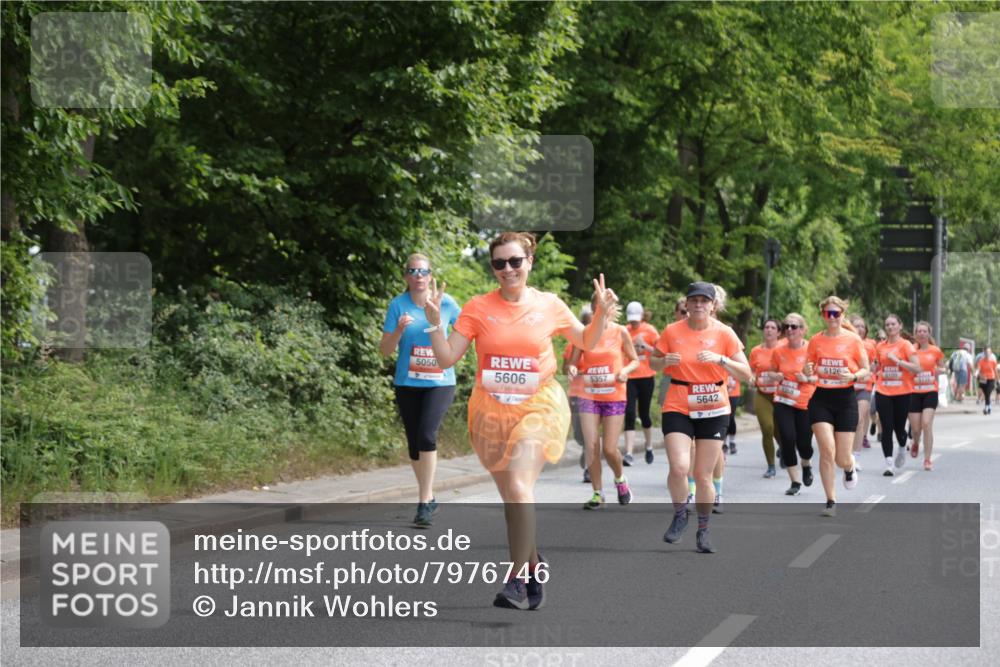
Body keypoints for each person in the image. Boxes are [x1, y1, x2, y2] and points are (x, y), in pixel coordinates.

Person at [423, 231, 617, 610]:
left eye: (515, 261)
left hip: (538, 406)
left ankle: (515, 580)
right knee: (514, 499)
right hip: (490, 412)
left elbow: (587, 341)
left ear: (530, 262)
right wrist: (434, 325)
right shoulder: (478, 307)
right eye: (499, 263)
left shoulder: (549, 305)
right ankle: (532, 564)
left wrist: (601, 315)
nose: (508, 269)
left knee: (518, 484)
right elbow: (446, 358)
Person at [650, 282, 751, 553]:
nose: (698, 305)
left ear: (713, 305)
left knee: (703, 475)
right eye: (693, 300)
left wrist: (721, 360)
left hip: (713, 407)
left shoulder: (725, 333)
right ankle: (680, 513)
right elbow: (653, 362)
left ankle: (703, 529)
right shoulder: (672, 331)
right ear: (686, 303)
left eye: (704, 301)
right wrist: (664, 362)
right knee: (679, 467)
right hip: (678, 403)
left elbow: (746, 373)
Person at [380, 254, 461, 528]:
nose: (418, 276)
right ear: (406, 276)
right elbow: (385, 351)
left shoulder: (446, 303)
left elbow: (466, 333)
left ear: (430, 276)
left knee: (427, 435)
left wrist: (449, 349)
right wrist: (397, 331)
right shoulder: (398, 305)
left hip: (440, 382)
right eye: (412, 271)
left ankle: (424, 500)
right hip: (407, 382)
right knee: (415, 444)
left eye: (423, 271)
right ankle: (430, 496)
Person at [569, 300, 639, 508]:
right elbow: (572, 362)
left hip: (614, 395)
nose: (602, 311)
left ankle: (620, 479)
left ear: (612, 309)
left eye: (606, 307)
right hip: (589, 395)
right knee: (591, 446)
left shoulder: (620, 332)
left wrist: (625, 372)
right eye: (598, 307)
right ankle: (597, 493)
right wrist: (572, 368)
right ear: (594, 309)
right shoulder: (583, 333)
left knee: (609, 449)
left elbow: (635, 360)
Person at [804, 296, 869, 517]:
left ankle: (849, 467)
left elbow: (866, 369)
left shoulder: (853, 340)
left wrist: (853, 375)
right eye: (827, 313)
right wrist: (807, 370)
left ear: (842, 314)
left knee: (841, 458)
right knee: (827, 450)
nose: (831, 317)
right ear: (823, 315)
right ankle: (831, 501)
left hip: (845, 401)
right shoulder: (815, 340)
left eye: (836, 313)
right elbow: (808, 367)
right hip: (821, 399)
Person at [765, 313, 816, 496]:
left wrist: (806, 379)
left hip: (805, 401)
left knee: (804, 443)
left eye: (793, 326)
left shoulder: (811, 350)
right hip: (783, 400)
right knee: (787, 438)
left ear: (803, 330)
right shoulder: (778, 351)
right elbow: (770, 372)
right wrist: (776, 376)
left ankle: (806, 464)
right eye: (786, 326)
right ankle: (795, 481)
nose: (789, 329)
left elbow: (819, 377)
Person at [873, 314, 915, 477]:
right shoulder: (880, 347)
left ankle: (902, 448)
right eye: (887, 325)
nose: (890, 327)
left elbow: (916, 367)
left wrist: (897, 361)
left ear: (900, 326)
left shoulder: (906, 345)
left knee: (899, 428)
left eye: (893, 324)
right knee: (886, 427)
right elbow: (877, 366)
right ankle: (889, 464)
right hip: (883, 391)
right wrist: (872, 369)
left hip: (902, 392)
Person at [905, 322, 946, 471]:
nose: (922, 334)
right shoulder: (910, 350)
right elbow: (904, 367)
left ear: (929, 334)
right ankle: (916, 442)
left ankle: (927, 459)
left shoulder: (935, 350)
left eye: (924, 331)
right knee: (916, 429)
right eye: (919, 331)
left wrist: (939, 371)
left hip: (930, 391)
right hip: (913, 391)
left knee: (927, 424)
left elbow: (943, 367)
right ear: (915, 334)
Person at [623, 301, 659, 465]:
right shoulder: (625, 330)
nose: (634, 323)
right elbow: (619, 351)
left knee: (644, 413)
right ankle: (629, 453)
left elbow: (660, 352)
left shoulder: (650, 330)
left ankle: (649, 446)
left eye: (636, 320)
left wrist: (645, 346)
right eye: (631, 320)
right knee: (629, 413)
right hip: (630, 376)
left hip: (646, 376)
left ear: (642, 316)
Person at [749, 318, 784, 478]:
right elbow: (751, 370)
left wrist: (778, 376)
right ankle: (771, 466)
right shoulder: (756, 351)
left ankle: (783, 446)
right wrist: (751, 378)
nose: (769, 330)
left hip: (781, 394)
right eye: (766, 327)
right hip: (762, 394)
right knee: (767, 427)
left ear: (779, 332)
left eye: (772, 328)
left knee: (780, 428)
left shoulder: (783, 349)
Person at [563, 306, 594, 483]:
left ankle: (589, 468)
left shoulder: (600, 344)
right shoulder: (572, 345)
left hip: (594, 394)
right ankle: (584, 447)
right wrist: (573, 370)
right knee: (578, 434)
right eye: (588, 321)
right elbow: (564, 368)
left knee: (590, 431)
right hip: (576, 392)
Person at [850, 317, 878, 456]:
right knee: (848, 421)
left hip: (864, 387)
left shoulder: (870, 346)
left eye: (862, 326)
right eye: (857, 326)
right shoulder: (844, 343)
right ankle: (845, 449)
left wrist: (871, 371)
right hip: (847, 388)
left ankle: (856, 456)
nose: (860, 328)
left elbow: (874, 365)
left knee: (859, 419)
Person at [977, 346, 997, 415]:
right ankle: (989, 406)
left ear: (991, 352)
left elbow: (995, 371)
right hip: (983, 380)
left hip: (991, 379)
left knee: (988, 393)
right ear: (984, 353)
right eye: (986, 352)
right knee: (986, 394)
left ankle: (986, 408)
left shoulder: (993, 361)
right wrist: (976, 374)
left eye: (988, 352)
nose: (987, 353)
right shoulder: (981, 361)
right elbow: (978, 369)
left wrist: (998, 380)